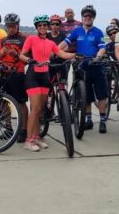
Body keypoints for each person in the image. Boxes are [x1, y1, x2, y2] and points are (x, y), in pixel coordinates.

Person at [19, 15, 77, 151]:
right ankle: (28, 141)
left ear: (48, 26)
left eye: (45, 25)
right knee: (35, 109)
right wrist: (29, 60)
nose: (43, 27)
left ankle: (36, 137)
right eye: (40, 25)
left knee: (40, 110)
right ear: (36, 27)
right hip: (33, 76)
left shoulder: (50, 43)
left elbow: (62, 54)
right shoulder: (31, 39)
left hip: (45, 76)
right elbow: (22, 54)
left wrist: (76, 55)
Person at [60, 5, 108, 131]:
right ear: (82, 17)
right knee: (86, 95)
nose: (88, 18)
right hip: (82, 67)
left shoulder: (98, 32)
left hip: (96, 65)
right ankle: (89, 120)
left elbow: (102, 47)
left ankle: (102, 121)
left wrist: (98, 57)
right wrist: (55, 51)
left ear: (93, 18)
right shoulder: (77, 31)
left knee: (101, 95)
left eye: (90, 16)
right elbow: (65, 43)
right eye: (86, 16)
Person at [0, 13, 28, 143]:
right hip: (4, 73)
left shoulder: (24, 39)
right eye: (8, 26)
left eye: (13, 26)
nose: (11, 29)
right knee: (2, 101)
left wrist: (16, 54)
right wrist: (0, 54)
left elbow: (28, 58)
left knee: (20, 103)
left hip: (18, 74)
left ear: (18, 25)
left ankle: (23, 130)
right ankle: (8, 128)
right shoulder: (3, 40)